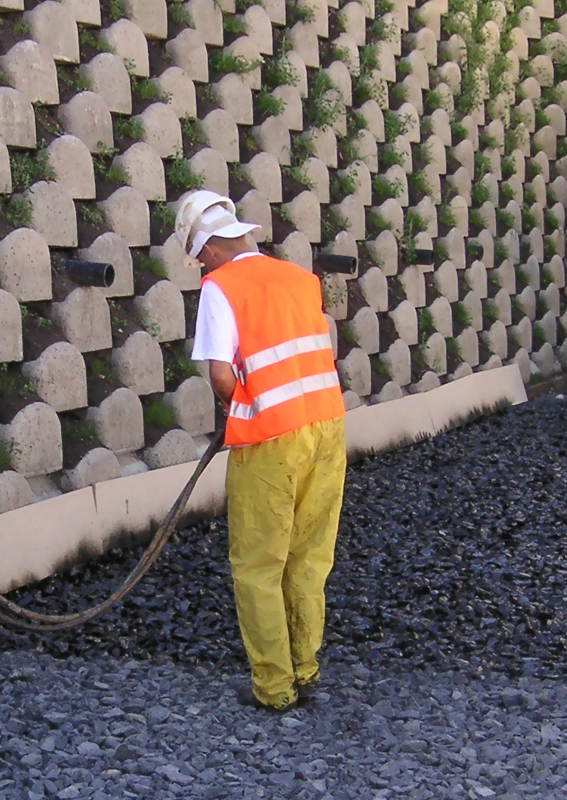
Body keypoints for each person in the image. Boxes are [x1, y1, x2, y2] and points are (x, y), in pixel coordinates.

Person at [175, 190, 348, 713]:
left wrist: (238, 408)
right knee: (309, 556)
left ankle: (274, 688)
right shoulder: (300, 279)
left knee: (258, 564)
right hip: (327, 428)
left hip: (271, 440)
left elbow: (222, 375)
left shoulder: (219, 287)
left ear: (206, 250)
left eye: (196, 255)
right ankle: (306, 665)